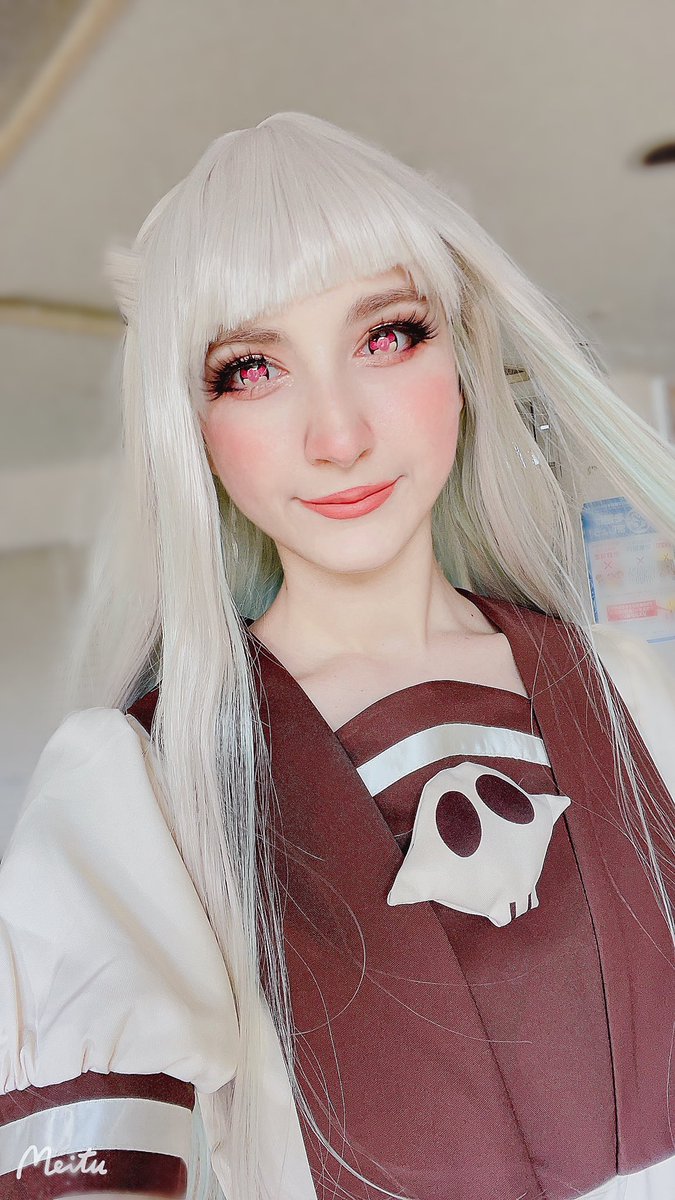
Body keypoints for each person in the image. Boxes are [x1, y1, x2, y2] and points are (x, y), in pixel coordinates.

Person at [0, 111, 674, 1200]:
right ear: (191, 425)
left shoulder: (627, 691)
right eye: (251, 368)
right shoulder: (150, 783)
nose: (338, 435)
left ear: (460, 355)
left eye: (386, 337)